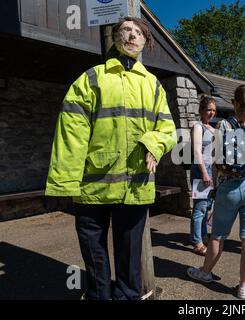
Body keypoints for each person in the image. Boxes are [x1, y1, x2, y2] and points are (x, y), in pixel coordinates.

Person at [45, 17, 177, 300]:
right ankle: (98, 296)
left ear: (145, 42)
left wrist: (153, 143)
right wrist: (66, 183)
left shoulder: (153, 85)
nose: (132, 35)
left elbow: (167, 128)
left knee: (130, 255)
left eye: (139, 32)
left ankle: (128, 296)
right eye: (126, 30)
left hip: (136, 185)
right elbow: (71, 134)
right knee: (94, 253)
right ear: (114, 37)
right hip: (93, 186)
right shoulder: (91, 79)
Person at [186, 84, 245, 299]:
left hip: (228, 187)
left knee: (217, 235)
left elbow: (216, 161)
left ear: (234, 103)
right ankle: (244, 285)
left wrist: (216, 184)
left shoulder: (223, 127)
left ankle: (205, 272)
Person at [190, 95, 216, 256]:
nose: (211, 113)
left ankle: (204, 235)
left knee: (207, 207)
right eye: (208, 110)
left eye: (214, 110)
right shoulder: (198, 127)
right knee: (199, 208)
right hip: (201, 170)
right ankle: (197, 242)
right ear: (201, 111)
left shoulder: (213, 128)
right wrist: (205, 172)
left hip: (212, 170)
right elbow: (196, 152)